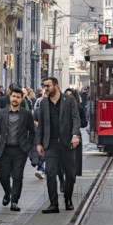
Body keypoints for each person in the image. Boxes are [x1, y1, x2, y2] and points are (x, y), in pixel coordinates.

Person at [36, 77, 81, 214]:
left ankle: (68, 199)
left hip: (67, 143)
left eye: (48, 85)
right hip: (51, 143)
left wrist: (75, 135)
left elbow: (75, 118)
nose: (46, 88)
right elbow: (41, 125)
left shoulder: (69, 100)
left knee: (70, 174)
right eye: (44, 86)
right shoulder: (43, 103)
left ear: (56, 85)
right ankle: (53, 204)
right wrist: (38, 143)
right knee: (50, 173)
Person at [0, 86, 36, 212]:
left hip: (20, 150)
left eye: (18, 97)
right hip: (5, 149)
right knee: (3, 176)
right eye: (13, 96)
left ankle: (14, 201)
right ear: (10, 97)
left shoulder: (26, 114)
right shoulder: (2, 113)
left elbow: (32, 132)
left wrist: (30, 147)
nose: (15, 99)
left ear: (22, 99)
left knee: (17, 176)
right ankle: (7, 193)